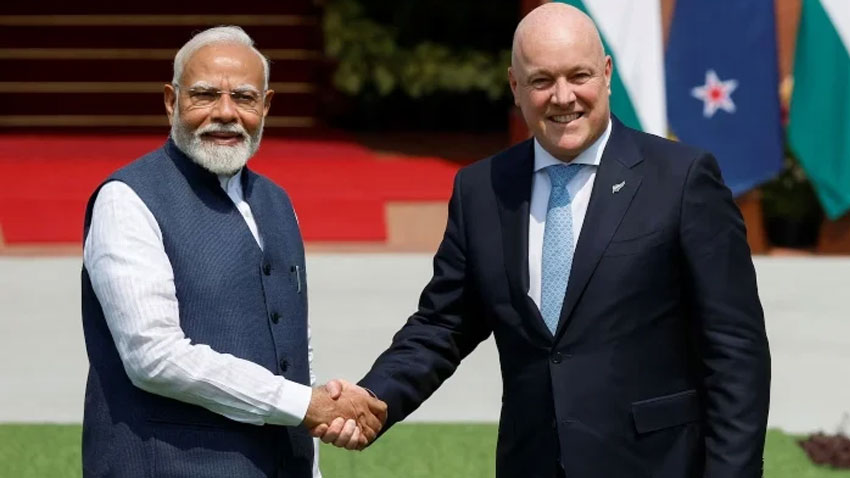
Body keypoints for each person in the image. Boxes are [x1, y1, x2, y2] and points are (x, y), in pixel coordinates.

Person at [313, 4, 770, 477]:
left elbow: (736, 350)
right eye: (542, 81)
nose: (563, 96)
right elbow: (442, 325)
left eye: (579, 75)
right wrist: (373, 396)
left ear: (607, 74)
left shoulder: (682, 179)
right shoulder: (482, 189)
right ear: (515, 86)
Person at [81, 26, 385, 478]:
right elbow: (153, 355)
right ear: (171, 101)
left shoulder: (278, 202)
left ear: (266, 106)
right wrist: (304, 405)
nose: (225, 113)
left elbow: (294, 346)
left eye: (244, 98)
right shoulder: (128, 199)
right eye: (204, 95)